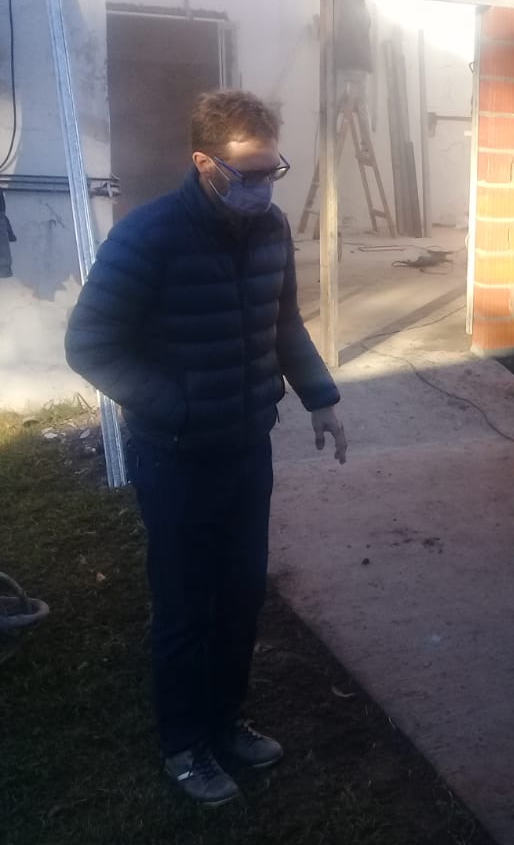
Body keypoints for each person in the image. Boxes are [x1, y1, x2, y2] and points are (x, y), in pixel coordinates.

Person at [65, 90, 348, 806]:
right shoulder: (149, 235)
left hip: (248, 447)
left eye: (272, 170)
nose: (262, 187)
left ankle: (225, 720)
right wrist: (178, 406)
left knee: (242, 595)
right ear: (203, 163)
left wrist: (320, 396)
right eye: (247, 173)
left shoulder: (270, 228)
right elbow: (90, 343)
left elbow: (284, 322)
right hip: (176, 457)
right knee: (186, 604)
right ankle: (184, 743)